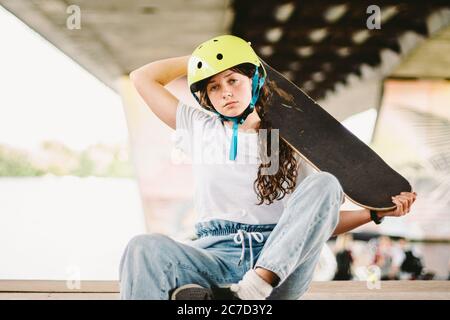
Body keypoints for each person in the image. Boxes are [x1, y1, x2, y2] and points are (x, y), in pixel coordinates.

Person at [119, 35, 417, 300]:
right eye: (214, 86)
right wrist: (204, 59)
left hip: (278, 267)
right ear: (206, 97)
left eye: (233, 79)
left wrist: (375, 213)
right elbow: (142, 78)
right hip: (214, 257)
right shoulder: (199, 127)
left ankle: (253, 288)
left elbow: (312, 221)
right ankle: (226, 295)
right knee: (143, 249)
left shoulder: (293, 138)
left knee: (325, 183)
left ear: (255, 80)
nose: (225, 92)